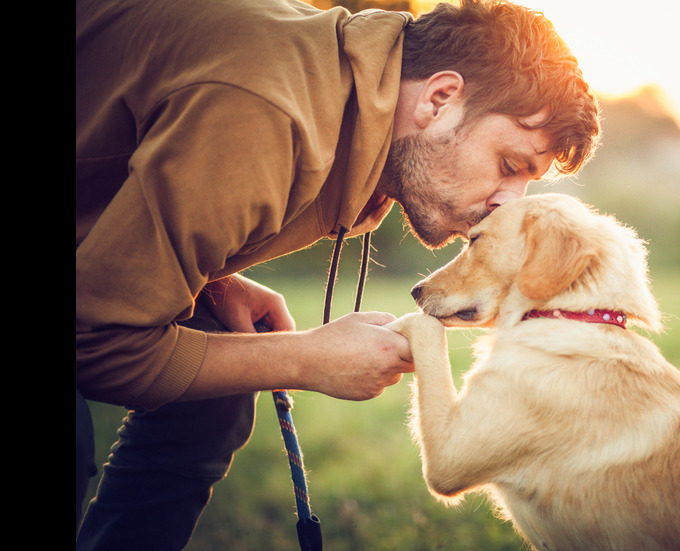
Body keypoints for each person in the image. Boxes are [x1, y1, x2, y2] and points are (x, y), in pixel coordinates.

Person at [75, 0, 600, 547]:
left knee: (212, 398)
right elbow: (96, 344)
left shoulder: (352, 98)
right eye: (509, 166)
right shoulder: (270, 111)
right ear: (440, 98)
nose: (507, 204)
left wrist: (213, 280)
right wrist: (304, 359)